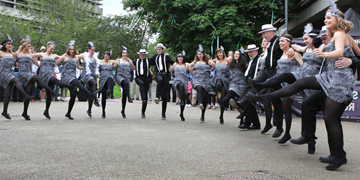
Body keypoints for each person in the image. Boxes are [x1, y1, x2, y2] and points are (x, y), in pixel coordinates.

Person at [249, 6, 360, 170]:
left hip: (338, 83)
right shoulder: (342, 36)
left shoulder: (340, 34)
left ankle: (339, 156)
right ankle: (310, 137)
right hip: (329, 79)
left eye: (328, 18)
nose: (325, 20)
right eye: (325, 18)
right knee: (308, 103)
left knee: (331, 118)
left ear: (338, 20)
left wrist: (348, 61)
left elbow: (341, 52)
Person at [14, 38, 59, 120]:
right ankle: (50, 91)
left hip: (29, 73)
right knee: (38, 78)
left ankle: (24, 112)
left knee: (28, 93)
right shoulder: (18, 53)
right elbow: (10, 58)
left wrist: (45, 67)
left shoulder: (30, 54)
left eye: (30, 45)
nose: (30, 46)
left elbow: (38, 65)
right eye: (28, 44)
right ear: (24, 44)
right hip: (23, 73)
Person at [56, 40, 97, 120]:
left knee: (73, 95)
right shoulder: (64, 57)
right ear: (68, 50)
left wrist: (85, 67)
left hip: (73, 76)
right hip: (66, 77)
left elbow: (78, 67)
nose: (72, 51)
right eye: (70, 49)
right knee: (76, 82)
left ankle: (68, 113)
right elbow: (56, 63)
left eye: (73, 49)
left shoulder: (76, 58)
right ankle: (89, 93)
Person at [33, 41, 73, 119]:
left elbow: (63, 57)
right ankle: (68, 86)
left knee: (49, 94)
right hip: (44, 74)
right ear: (47, 47)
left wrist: (67, 53)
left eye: (53, 49)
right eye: (51, 49)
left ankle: (46, 111)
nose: (52, 50)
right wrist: (38, 65)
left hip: (51, 73)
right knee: (56, 81)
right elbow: (31, 56)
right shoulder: (42, 55)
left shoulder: (54, 55)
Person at [0, 37, 34, 119]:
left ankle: (4, 111)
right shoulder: (1, 53)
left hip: (10, 72)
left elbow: (21, 53)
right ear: (4, 45)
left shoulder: (12, 54)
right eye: (8, 44)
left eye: (11, 44)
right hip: (3, 73)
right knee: (16, 80)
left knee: (8, 92)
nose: (10, 45)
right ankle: (25, 95)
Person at [219, 50, 248, 125]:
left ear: (241, 55)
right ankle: (222, 102)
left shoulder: (244, 65)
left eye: (237, 54)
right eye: (235, 54)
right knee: (230, 92)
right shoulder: (232, 63)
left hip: (242, 84)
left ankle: (242, 121)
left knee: (240, 102)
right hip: (234, 83)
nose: (235, 55)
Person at [188, 45, 215, 122]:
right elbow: (189, 66)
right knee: (198, 87)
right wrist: (191, 71)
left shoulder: (208, 61)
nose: (199, 56)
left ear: (203, 54)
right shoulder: (195, 62)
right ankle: (199, 103)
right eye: (198, 54)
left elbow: (215, 65)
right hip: (197, 79)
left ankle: (202, 114)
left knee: (205, 98)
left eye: (201, 54)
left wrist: (212, 65)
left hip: (206, 80)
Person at [149, 43, 175, 119]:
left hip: (166, 75)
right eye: (157, 49)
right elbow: (148, 61)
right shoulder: (155, 56)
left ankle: (163, 113)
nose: (158, 51)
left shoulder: (166, 56)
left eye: (160, 49)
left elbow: (173, 63)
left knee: (165, 96)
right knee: (159, 80)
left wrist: (171, 68)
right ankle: (157, 96)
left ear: (163, 50)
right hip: (158, 74)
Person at [77, 42, 101, 118]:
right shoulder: (84, 56)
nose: (93, 52)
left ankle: (89, 110)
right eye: (91, 50)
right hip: (86, 74)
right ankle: (96, 99)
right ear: (88, 50)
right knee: (93, 83)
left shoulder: (96, 58)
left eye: (94, 50)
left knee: (92, 91)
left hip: (93, 75)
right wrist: (78, 66)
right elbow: (76, 57)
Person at [212, 47, 231, 124]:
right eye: (218, 53)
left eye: (221, 53)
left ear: (223, 53)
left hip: (225, 80)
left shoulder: (227, 60)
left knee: (222, 99)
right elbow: (208, 61)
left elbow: (231, 68)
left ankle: (221, 115)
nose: (219, 54)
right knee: (218, 80)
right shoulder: (215, 60)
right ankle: (217, 95)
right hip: (217, 79)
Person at [115, 47, 135, 118]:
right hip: (120, 76)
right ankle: (129, 97)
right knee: (125, 83)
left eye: (126, 53)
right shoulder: (119, 61)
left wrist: (130, 61)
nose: (125, 54)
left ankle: (123, 110)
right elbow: (113, 67)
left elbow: (133, 68)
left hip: (127, 77)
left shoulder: (128, 61)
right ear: (121, 54)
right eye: (123, 53)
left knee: (124, 94)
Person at [169, 51, 189, 121]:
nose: (180, 58)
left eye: (181, 57)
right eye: (179, 57)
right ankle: (180, 96)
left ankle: (181, 113)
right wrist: (171, 66)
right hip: (177, 81)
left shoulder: (186, 65)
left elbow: (192, 71)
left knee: (183, 97)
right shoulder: (175, 64)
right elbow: (170, 71)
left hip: (184, 81)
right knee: (180, 85)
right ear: (177, 58)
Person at [133, 49, 151, 118]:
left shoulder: (148, 61)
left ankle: (143, 112)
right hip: (138, 78)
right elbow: (129, 62)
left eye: (143, 54)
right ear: (139, 55)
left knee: (145, 98)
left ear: (145, 55)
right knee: (141, 84)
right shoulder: (136, 61)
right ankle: (142, 96)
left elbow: (156, 60)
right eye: (141, 54)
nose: (142, 55)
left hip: (146, 79)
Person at [98, 51, 115, 118]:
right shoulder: (100, 62)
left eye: (108, 56)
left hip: (109, 79)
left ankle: (109, 90)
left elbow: (117, 61)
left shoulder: (112, 62)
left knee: (109, 78)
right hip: (102, 80)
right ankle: (103, 111)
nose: (107, 57)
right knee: (103, 97)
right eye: (105, 56)